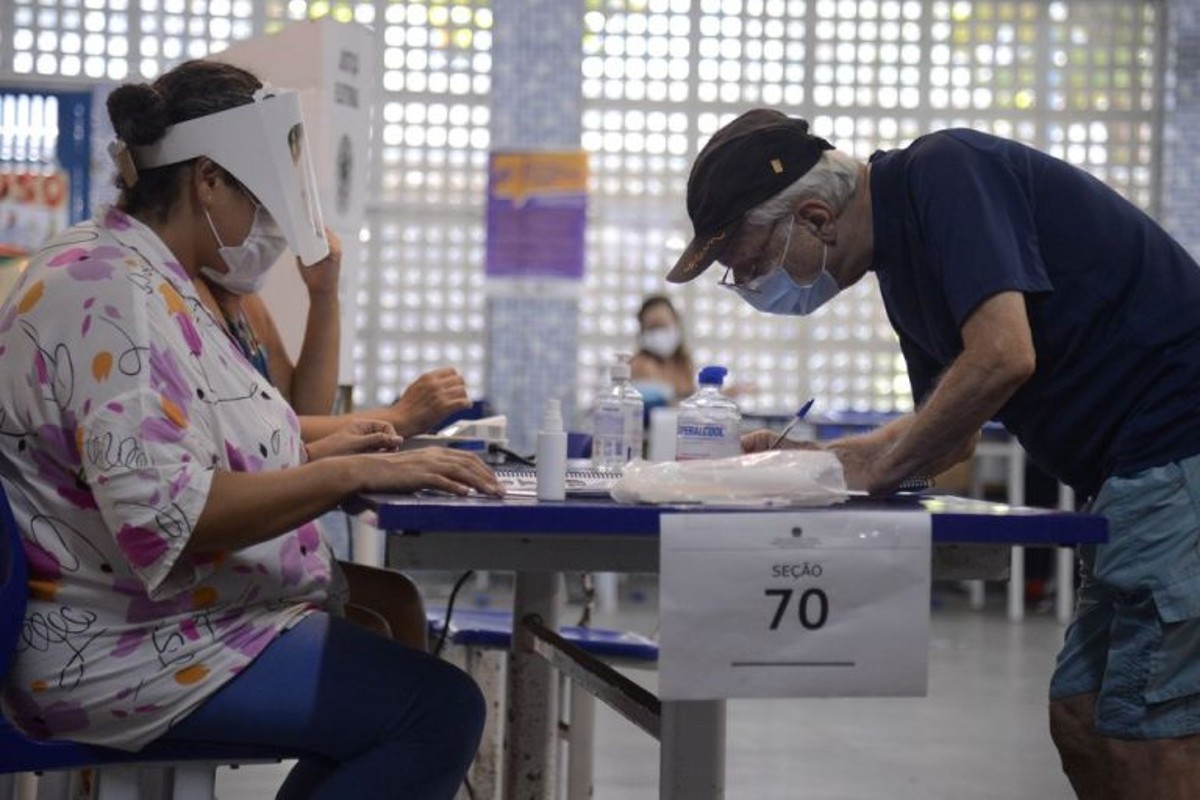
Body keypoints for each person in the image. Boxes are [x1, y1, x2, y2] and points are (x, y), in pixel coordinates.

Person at [0, 59, 503, 799]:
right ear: (208, 180)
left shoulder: (148, 277)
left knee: (391, 698)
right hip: (123, 653)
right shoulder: (111, 294)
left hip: (165, 625)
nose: (272, 222)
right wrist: (347, 473)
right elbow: (174, 515)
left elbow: (202, 439)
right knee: (435, 710)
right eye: (262, 198)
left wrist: (348, 447)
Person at [665, 108, 1200, 799]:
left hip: (1179, 448)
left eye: (755, 263)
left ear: (817, 218)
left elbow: (1004, 357)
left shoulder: (947, 172)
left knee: (1147, 736)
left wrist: (866, 468)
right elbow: (952, 437)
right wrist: (810, 462)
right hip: (1134, 472)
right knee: (1083, 718)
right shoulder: (903, 269)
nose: (757, 287)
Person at [630, 293, 696, 404]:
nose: (658, 333)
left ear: (676, 323)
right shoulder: (639, 364)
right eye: (652, 328)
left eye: (662, 325)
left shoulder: (684, 363)